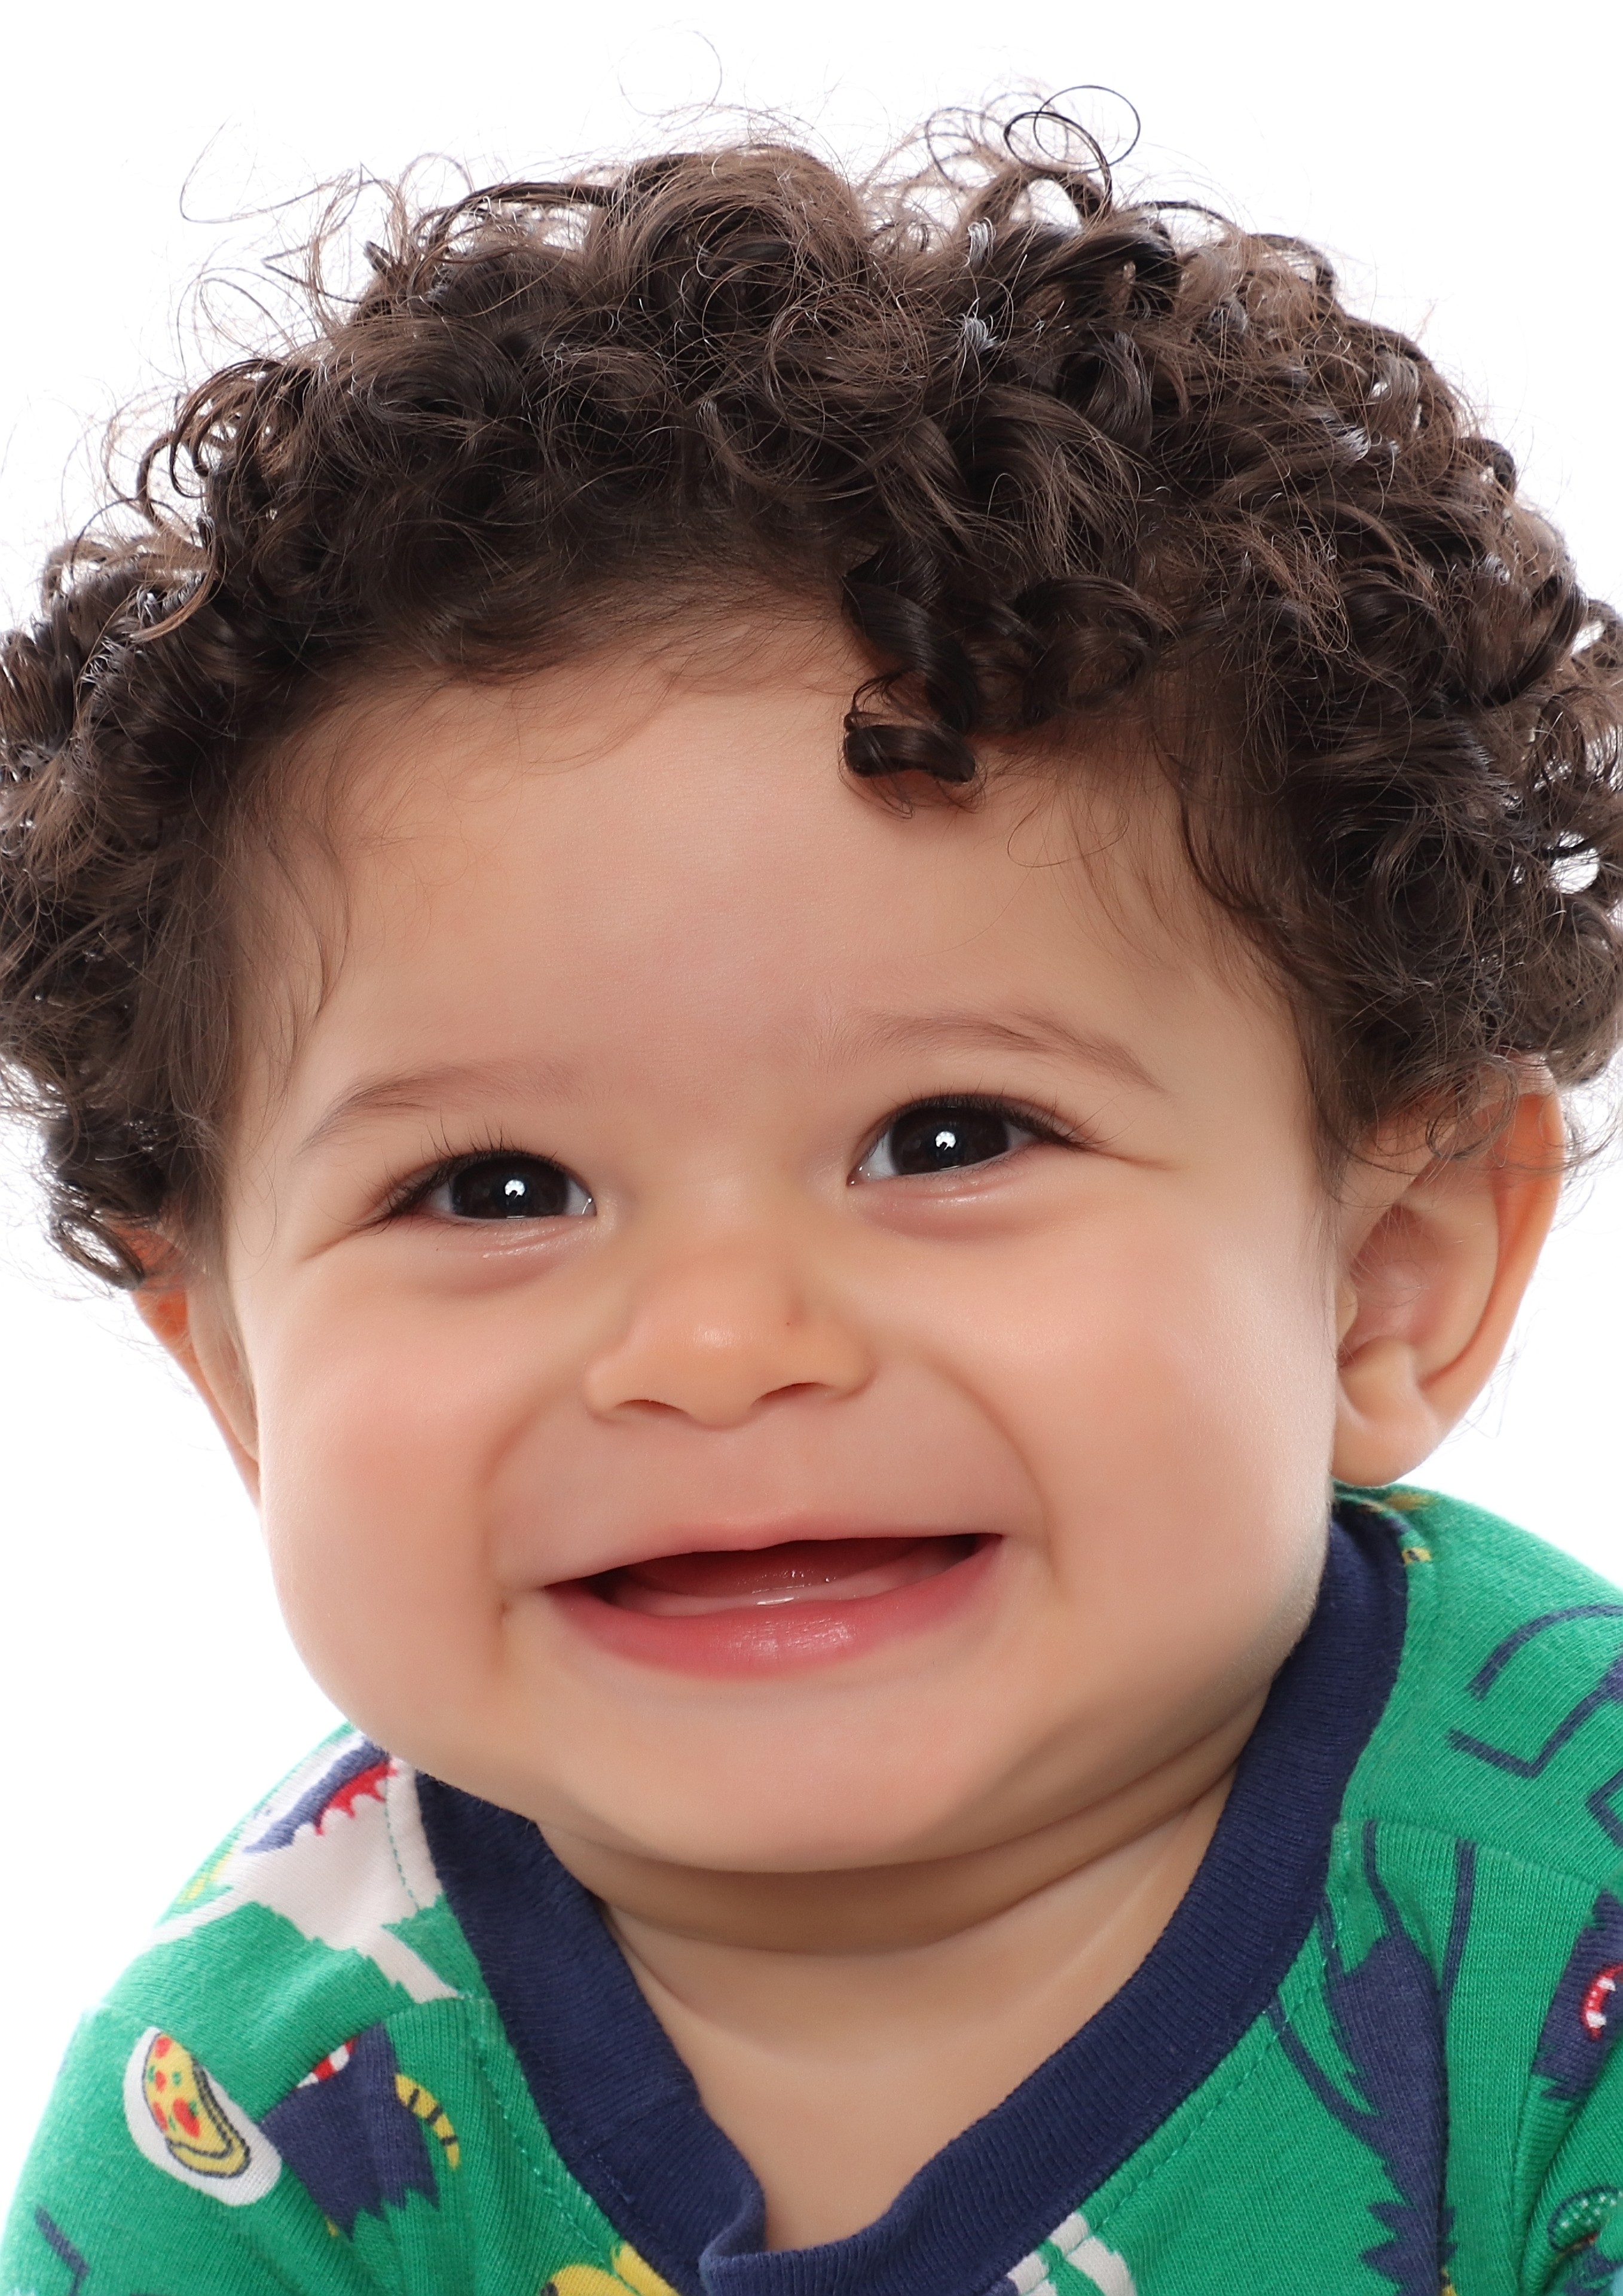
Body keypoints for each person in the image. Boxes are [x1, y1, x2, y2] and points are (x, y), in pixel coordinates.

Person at [2, 111, 1622, 2296]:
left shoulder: (1555, 1943)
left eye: (949, 1139)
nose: (718, 1343)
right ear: (233, 1372)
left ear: (1382, 1282)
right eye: (491, 1186)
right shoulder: (258, 2125)